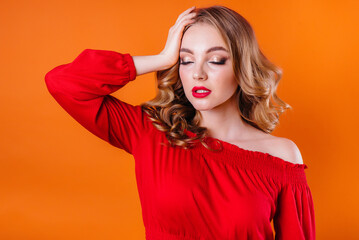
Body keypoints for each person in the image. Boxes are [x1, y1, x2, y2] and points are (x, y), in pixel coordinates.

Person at [45, 5, 315, 240]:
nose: (197, 73)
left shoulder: (281, 156)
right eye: (186, 60)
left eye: (216, 60)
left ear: (242, 67)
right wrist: (163, 58)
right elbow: (64, 83)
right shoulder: (150, 131)